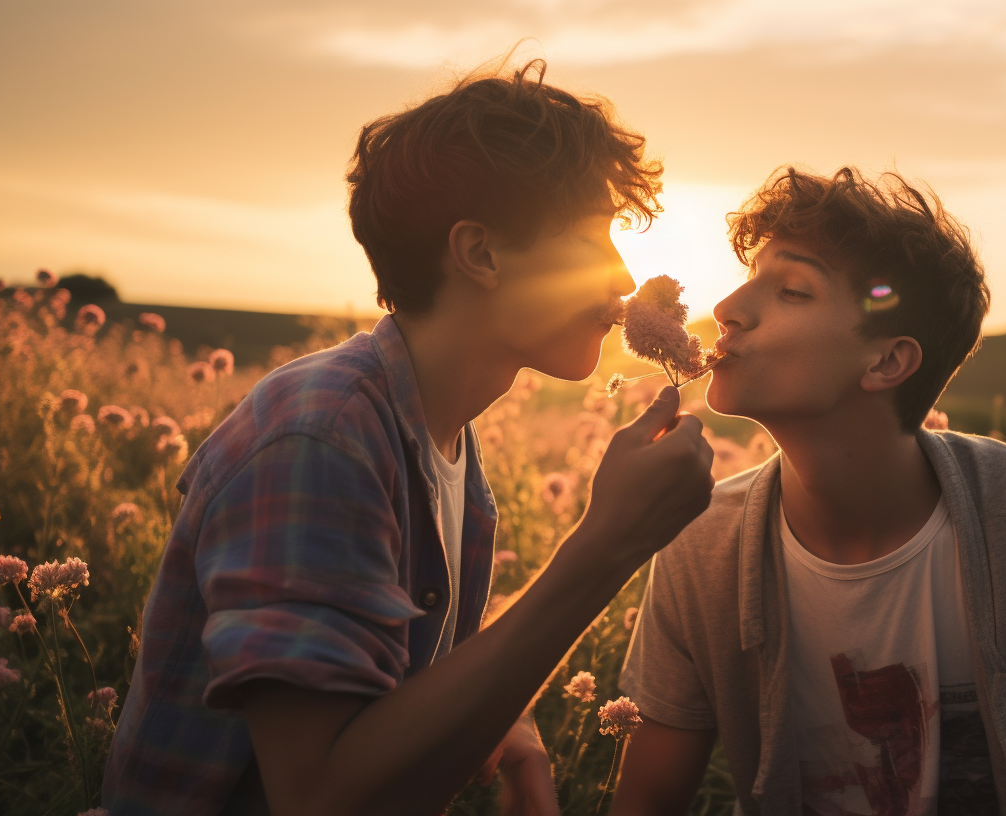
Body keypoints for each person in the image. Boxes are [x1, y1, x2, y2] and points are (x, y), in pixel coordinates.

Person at [102, 60, 716, 816]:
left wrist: (505, 718)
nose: (624, 277)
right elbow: (318, 798)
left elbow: (387, 682)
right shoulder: (321, 442)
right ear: (480, 253)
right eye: (595, 240)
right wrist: (607, 548)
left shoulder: (434, 430)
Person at [610, 167, 1006, 816]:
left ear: (888, 361)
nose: (726, 308)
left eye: (791, 290)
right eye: (751, 275)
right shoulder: (702, 544)